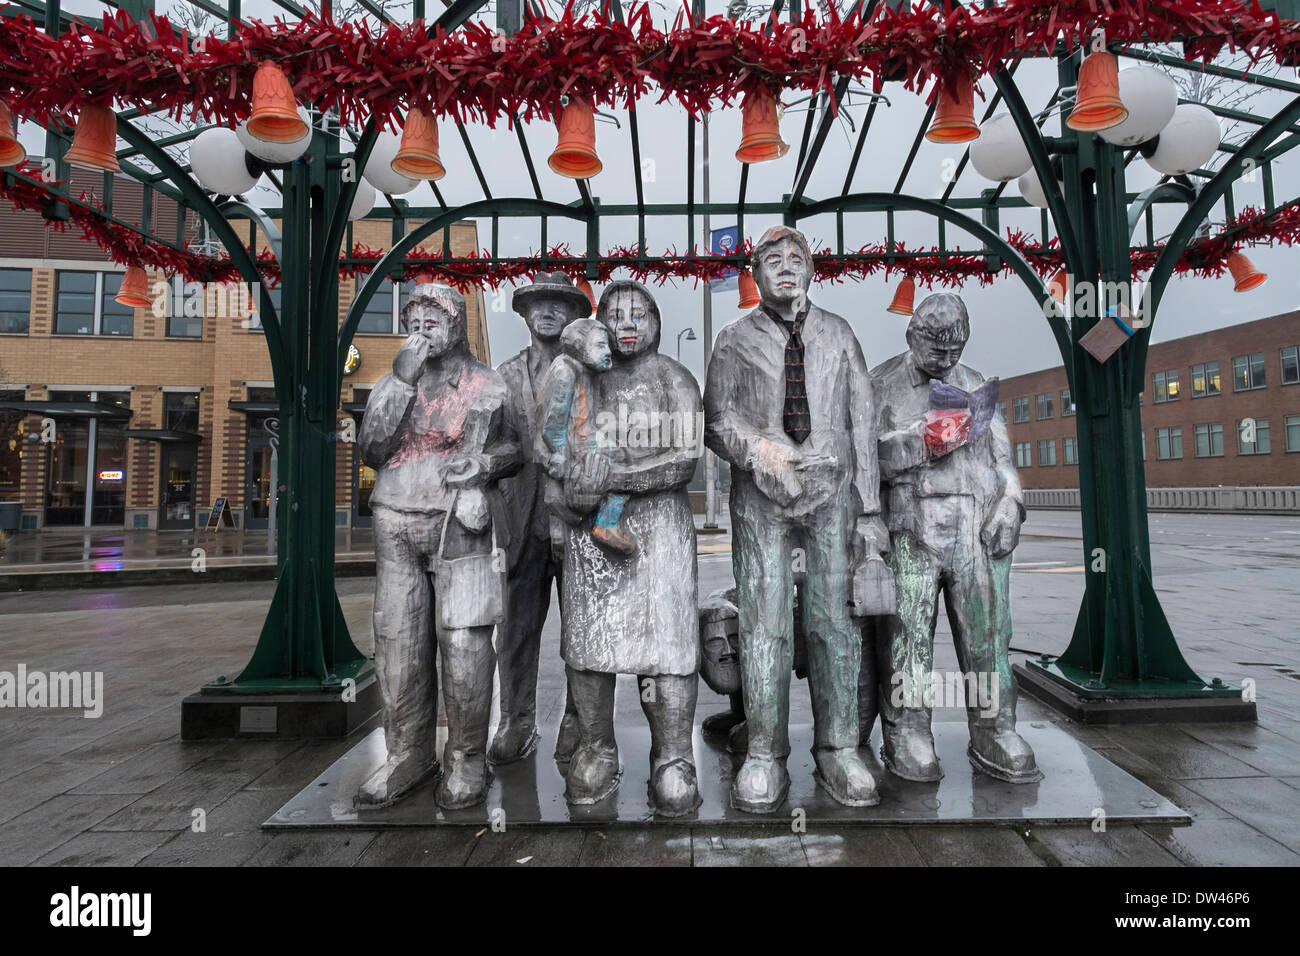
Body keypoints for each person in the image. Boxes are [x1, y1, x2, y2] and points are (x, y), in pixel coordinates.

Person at [703, 225, 889, 813]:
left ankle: (838, 748)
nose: (785, 267)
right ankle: (764, 751)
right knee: (764, 623)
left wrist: (872, 510)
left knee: (834, 622)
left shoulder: (840, 335)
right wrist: (761, 453)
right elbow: (716, 419)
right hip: (761, 499)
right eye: (771, 259)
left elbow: (862, 422)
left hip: (833, 494)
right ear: (754, 275)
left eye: (796, 258)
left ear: (811, 270)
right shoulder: (734, 340)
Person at [355, 283, 520, 809]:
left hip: (459, 524)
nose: (424, 330)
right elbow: (372, 448)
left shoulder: (487, 384)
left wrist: (487, 465)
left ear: (458, 324)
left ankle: (467, 757)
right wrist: (400, 379)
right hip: (396, 519)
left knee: (466, 644)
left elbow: (517, 447)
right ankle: (407, 753)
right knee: (399, 643)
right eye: (416, 320)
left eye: (435, 319)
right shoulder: (394, 381)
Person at [869, 292, 1041, 784]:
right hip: (912, 526)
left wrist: (1011, 503)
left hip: (976, 530)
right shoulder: (880, 385)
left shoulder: (974, 384)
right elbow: (861, 463)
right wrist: (919, 441)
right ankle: (907, 730)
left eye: (955, 349)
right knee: (908, 638)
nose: (946, 360)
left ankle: (994, 727)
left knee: (987, 636)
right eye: (936, 348)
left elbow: (1004, 462)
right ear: (912, 335)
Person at [551, 279, 704, 816]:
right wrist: (573, 486)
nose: (630, 324)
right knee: (592, 641)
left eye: (641, 314)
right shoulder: (585, 378)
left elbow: (685, 459)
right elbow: (559, 444)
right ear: (602, 326)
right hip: (593, 532)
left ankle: (673, 754)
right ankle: (597, 745)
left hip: (659, 530)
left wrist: (617, 476)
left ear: (657, 322)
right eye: (617, 315)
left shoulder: (674, 378)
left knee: (665, 643)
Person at [492, 272, 589, 765]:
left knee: (581, 629)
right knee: (515, 629)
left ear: (574, 315)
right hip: (521, 520)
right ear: (524, 314)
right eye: (538, 303)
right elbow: (494, 443)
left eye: (559, 304)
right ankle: (515, 719)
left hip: (576, 520)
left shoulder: (590, 373)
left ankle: (578, 721)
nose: (547, 311)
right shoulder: (504, 376)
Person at [535, 317, 636, 556]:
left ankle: (605, 521)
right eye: (600, 345)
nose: (608, 352)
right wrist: (562, 458)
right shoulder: (565, 371)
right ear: (578, 345)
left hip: (588, 447)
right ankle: (605, 524)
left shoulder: (586, 372)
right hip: (576, 455)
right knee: (623, 466)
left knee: (626, 460)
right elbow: (552, 423)